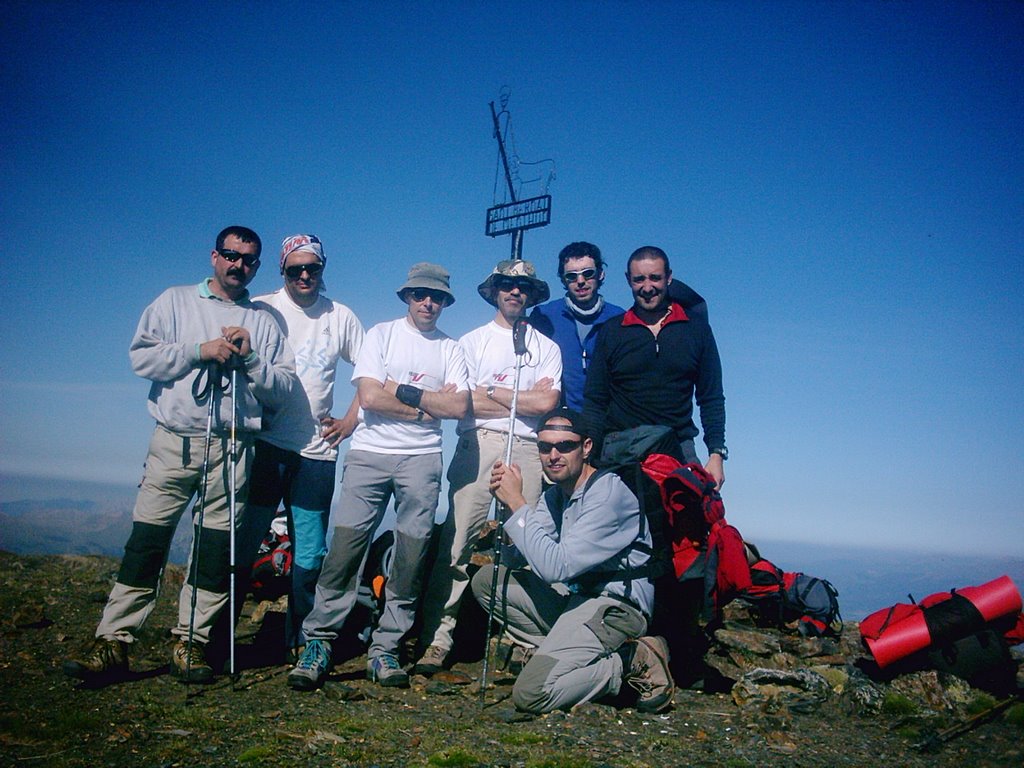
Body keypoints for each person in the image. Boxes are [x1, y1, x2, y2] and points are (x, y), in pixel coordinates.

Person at [63, 226, 297, 684]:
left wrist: (249, 359)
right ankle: (113, 641)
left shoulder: (265, 322)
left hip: (233, 447)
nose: (238, 265)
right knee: (147, 541)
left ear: (257, 265)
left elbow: (283, 390)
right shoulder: (173, 302)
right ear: (214, 256)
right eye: (230, 255)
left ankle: (191, 642)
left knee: (213, 551)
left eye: (249, 259)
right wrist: (198, 351)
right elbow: (141, 358)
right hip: (176, 439)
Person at [287, 263, 469, 691]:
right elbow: (368, 395)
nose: (429, 303)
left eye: (437, 296)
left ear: (445, 302)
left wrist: (399, 391)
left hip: (422, 460)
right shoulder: (381, 335)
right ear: (407, 296)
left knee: (411, 554)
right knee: (346, 549)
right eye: (421, 294)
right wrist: (427, 406)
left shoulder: (451, 348)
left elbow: (458, 407)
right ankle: (319, 641)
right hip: (370, 455)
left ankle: (386, 647)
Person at [472, 407, 675, 714]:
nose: (554, 455)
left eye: (565, 446)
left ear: (586, 448)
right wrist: (508, 512)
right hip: (578, 600)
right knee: (488, 581)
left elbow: (555, 568)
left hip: (615, 607)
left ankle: (630, 661)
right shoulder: (557, 496)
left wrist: (517, 501)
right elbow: (524, 555)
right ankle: (564, 658)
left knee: (531, 694)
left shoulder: (608, 495)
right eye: (545, 447)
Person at [413, 259, 562, 675]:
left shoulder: (546, 347)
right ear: (495, 290)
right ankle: (437, 639)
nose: (515, 292)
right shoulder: (471, 343)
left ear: (532, 295)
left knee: (528, 544)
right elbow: (463, 402)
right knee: (458, 540)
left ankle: (522, 640)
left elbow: (546, 403)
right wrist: (519, 395)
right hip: (478, 441)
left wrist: (491, 390)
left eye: (523, 287)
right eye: (507, 285)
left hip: (530, 446)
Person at [239, 234, 365, 652]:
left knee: (310, 552)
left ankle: (303, 640)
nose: (305, 275)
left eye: (313, 268)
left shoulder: (340, 316)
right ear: (283, 271)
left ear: (323, 269)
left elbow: (369, 371)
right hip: (265, 446)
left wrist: (350, 420)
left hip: (316, 451)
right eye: (296, 269)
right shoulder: (262, 309)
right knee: (245, 539)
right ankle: (221, 639)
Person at [583, 245, 727, 488]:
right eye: (639, 279)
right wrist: (588, 459)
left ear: (669, 277)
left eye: (655, 278)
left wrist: (716, 453)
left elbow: (710, 396)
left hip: (677, 446)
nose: (647, 287)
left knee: (692, 521)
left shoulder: (696, 330)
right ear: (628, 280)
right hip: (619, 448)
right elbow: (595, 400)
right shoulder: (612, 331)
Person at [529, 242, 624, 411]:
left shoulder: (620, 318)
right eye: (572, 276)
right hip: (559, 422)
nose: (580, 281)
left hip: (607, 422)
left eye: (588, 273)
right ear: (563, 279)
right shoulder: (544, 316)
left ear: (601, 274)